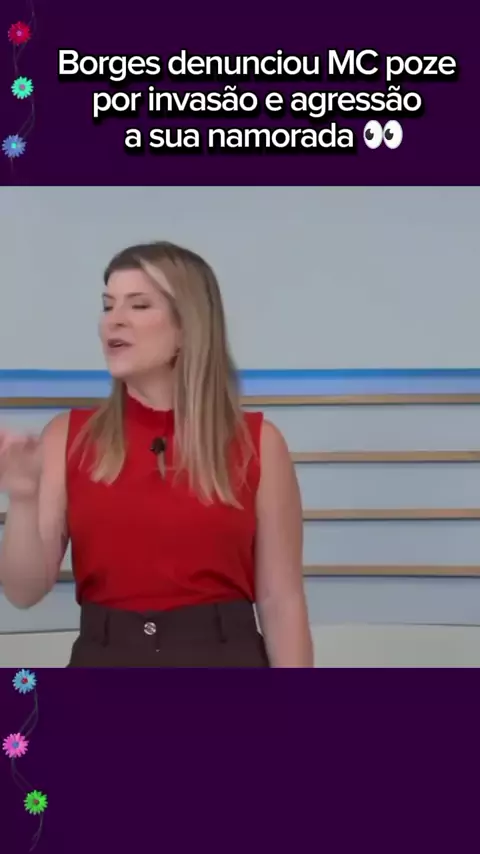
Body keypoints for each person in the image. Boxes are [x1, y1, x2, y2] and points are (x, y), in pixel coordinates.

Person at [0, 241, 313, 668]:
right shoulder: (66, 437)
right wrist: (22, 497)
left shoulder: (260, 443)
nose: (114, 320)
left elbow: (281, 601)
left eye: (139, 305)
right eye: (108, 305)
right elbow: (23, 592)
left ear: (187, 327)